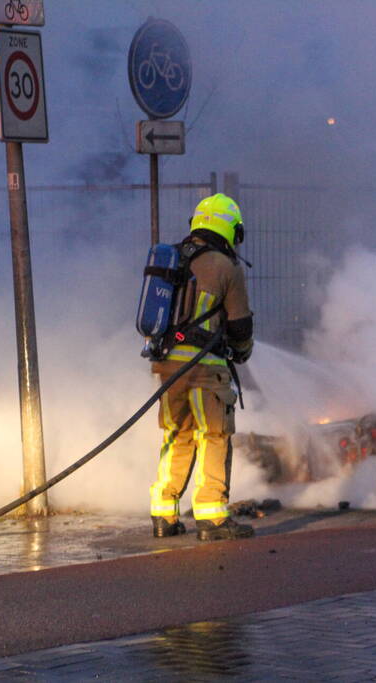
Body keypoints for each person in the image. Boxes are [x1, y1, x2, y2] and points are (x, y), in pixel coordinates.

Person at [149, 193, 255, 542]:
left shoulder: (174, 258)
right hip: (207, 368)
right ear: (230, 228)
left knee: (175, 436)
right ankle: (211, 517)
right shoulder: (227, 267)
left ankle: (164, 515)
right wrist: (242, 351)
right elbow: (240, 326)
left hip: (167, 365)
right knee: (213, 435)